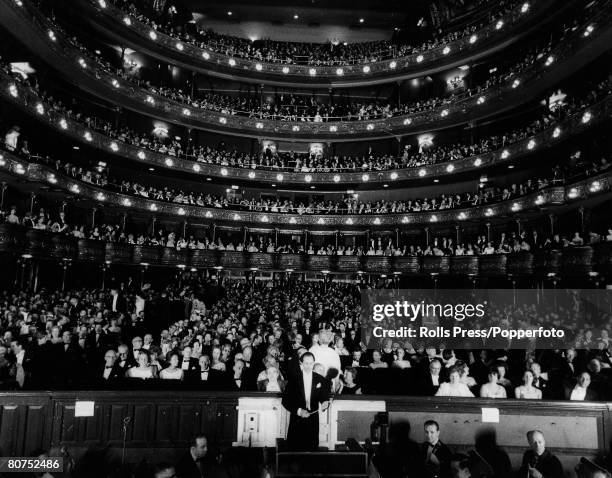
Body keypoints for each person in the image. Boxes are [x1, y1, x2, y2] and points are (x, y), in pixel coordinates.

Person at [281, 352, 331, 451]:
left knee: (312, 451)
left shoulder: (320, 379)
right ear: (301, 364)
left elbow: (324, 397)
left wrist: (325, 403)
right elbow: (285, 400)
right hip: (297, 421)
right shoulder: (294, 379)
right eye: (306, 363)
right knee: (295, 451)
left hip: (313, 421)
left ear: (314, 363)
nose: (308, 366)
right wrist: (299, 411)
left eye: (311, 363)